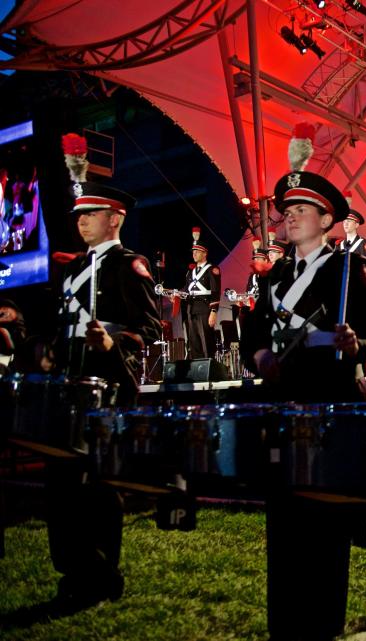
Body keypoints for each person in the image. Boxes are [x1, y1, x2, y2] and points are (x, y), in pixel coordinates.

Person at [239, 127, 366, 640]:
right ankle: (285, 624)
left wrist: (353, 346)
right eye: (287, 209)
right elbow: (252, 337)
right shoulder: (274, 278)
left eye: (302, 209)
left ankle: (322, 625)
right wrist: (260, 355)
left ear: (328, 220)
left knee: (324, 523)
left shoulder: (348, 267)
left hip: (329, 406)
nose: (290, 215)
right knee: (283, 521)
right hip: (281, 408)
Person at [47, 133, 163, 610]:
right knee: (62, 485)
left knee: (98, 487)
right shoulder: (74, 269)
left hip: (107, 389)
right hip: (68, 388)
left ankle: (99, 574)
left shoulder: (127, 266)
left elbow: (149, 329)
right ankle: (71, 569)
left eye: (90, 214)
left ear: (114, 218)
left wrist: (114, 339)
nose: (81, 222)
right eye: (78, 215)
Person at [182, 228, 220, 358]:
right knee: (194, 342)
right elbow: (187, 291)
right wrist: (176, 297)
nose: (194, 254)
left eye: (197, 251)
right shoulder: (190, 272)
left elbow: (215, 291)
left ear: (205, 253)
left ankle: (210, 368)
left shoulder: (212, 269)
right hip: (191, 309)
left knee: (206, 342)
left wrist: (213, 311)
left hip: (205, 308)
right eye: (193, 251)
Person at [336, 192, 366, 265]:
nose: (345, 224)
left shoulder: (363, 244)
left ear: (356, 225)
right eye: (344, 221)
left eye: (349, 221)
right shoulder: (339, 245)